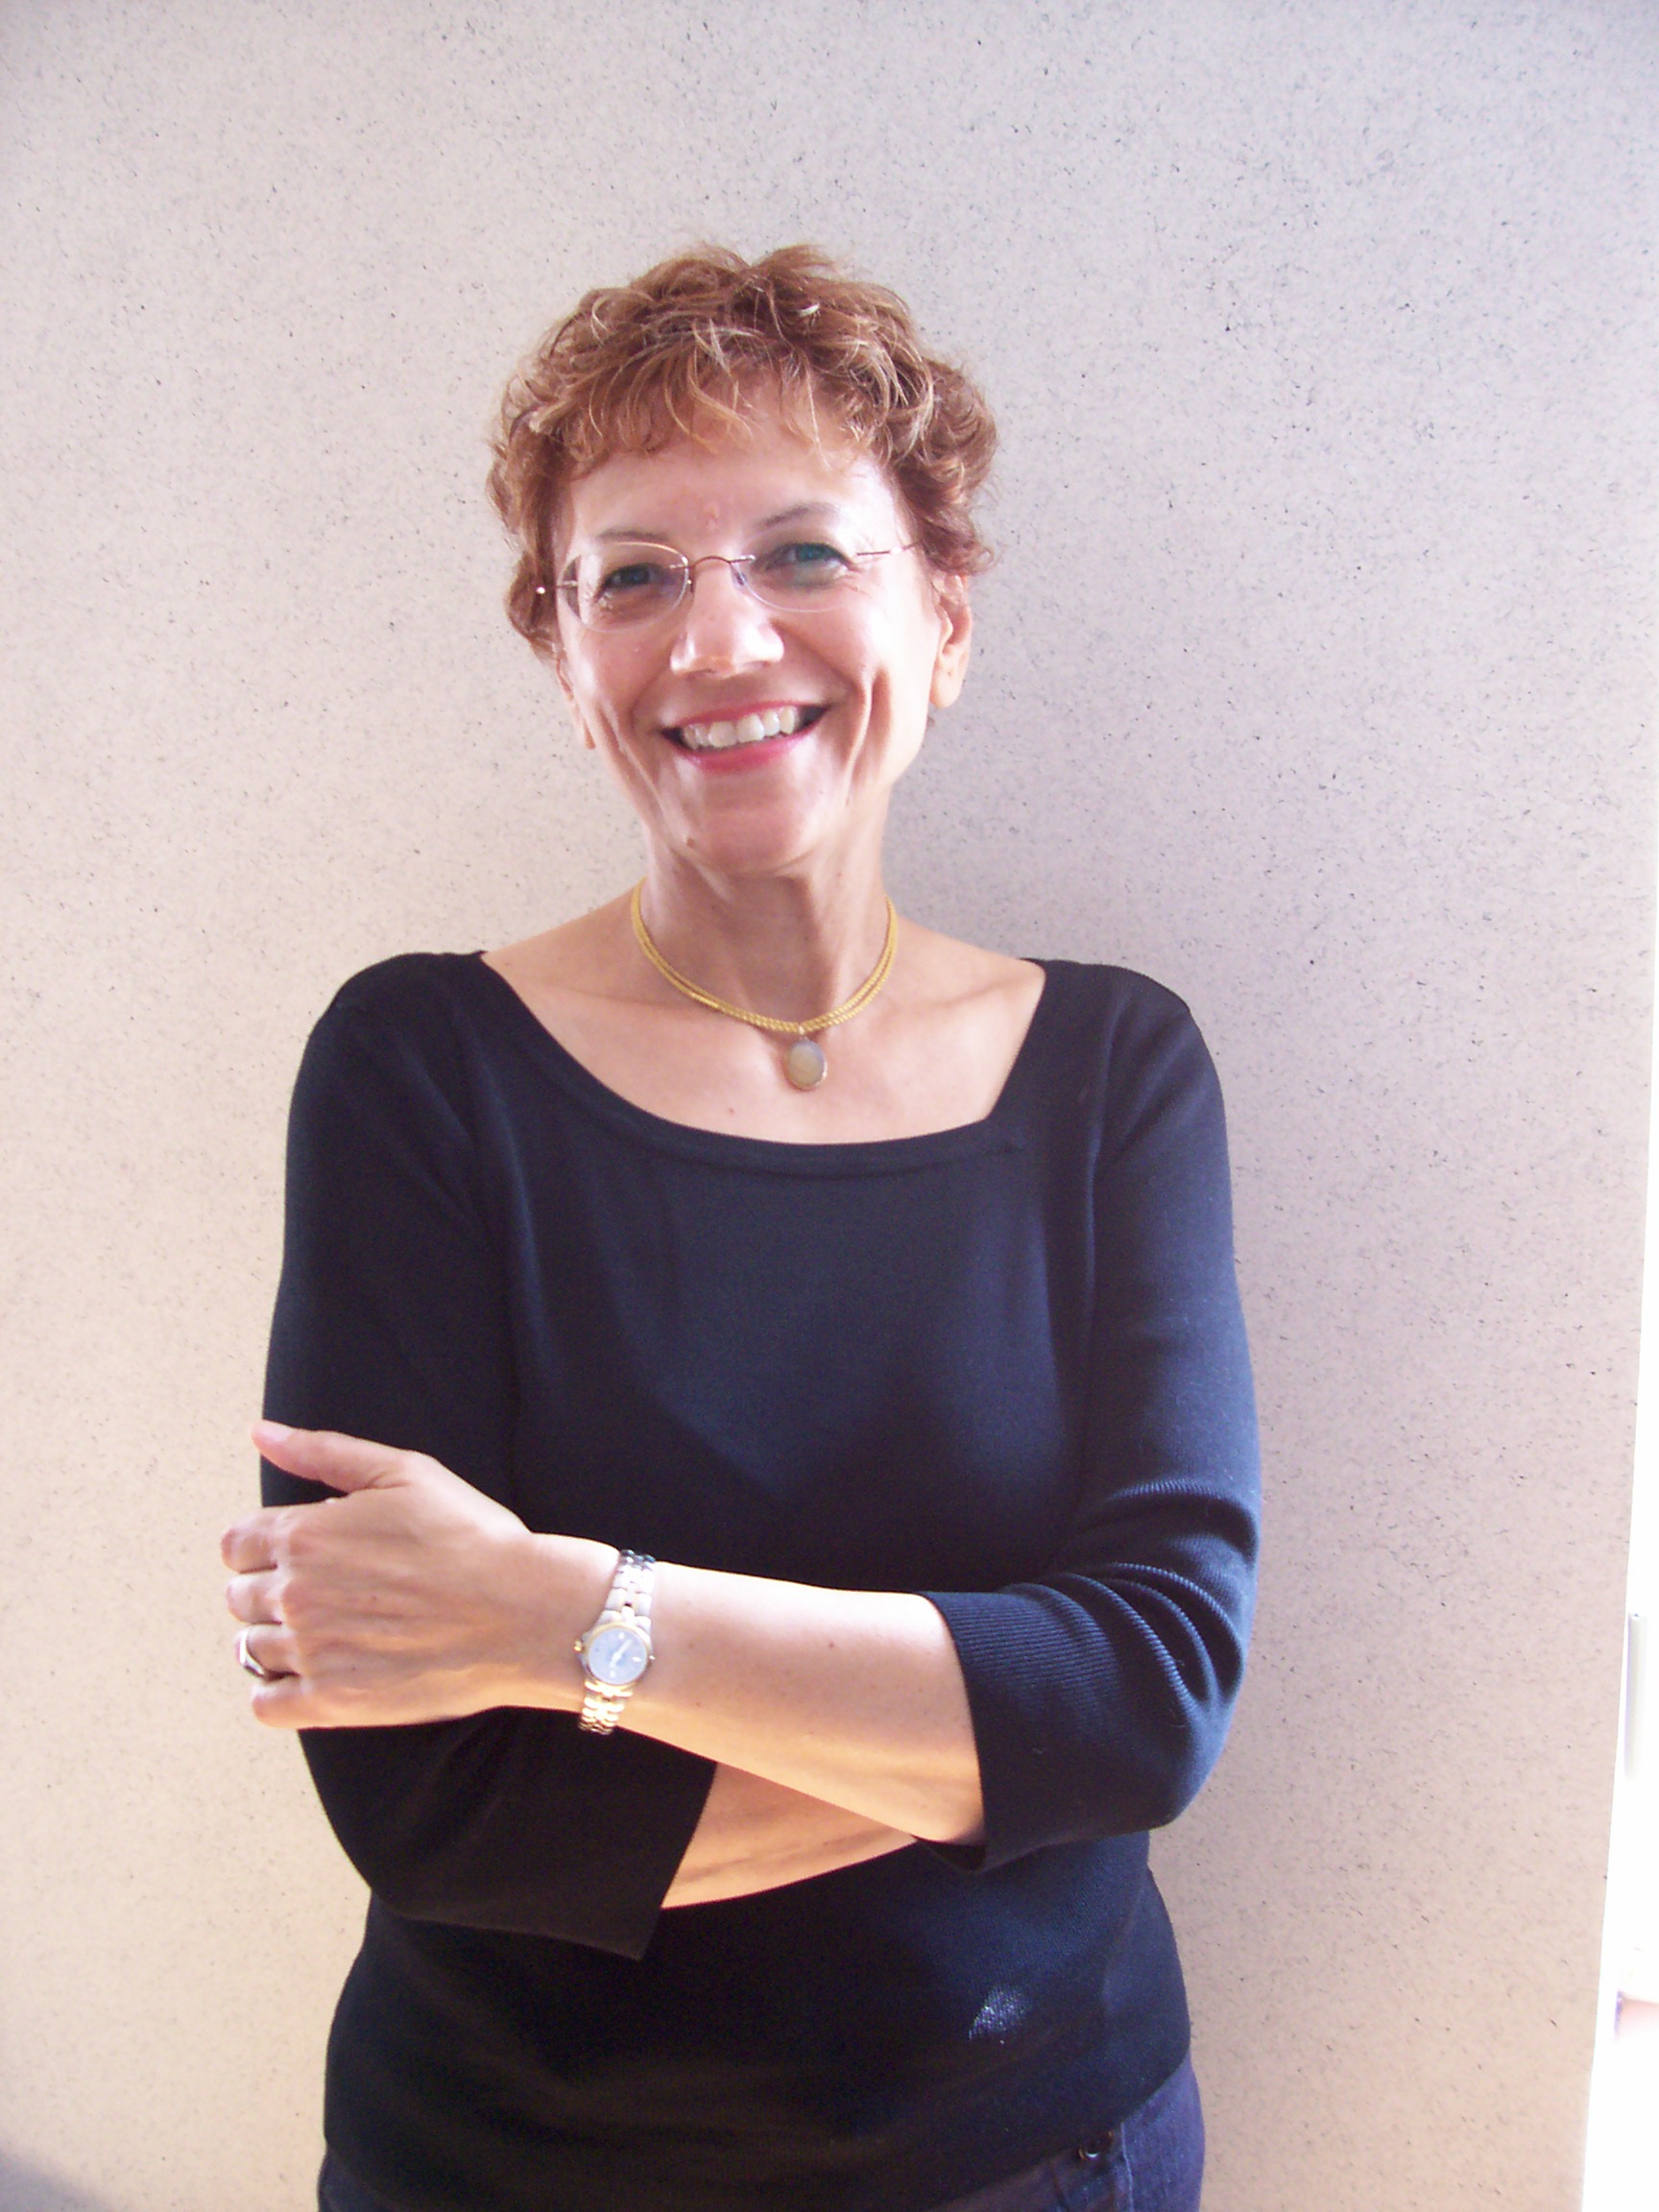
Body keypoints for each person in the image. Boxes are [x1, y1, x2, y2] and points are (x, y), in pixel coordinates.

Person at [222, 245, 1260, 2212]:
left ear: (942, 616)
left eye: (802, 553)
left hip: (1048, 2150)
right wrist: (982, 1733)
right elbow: (435, 1807)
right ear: (562, 654)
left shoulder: (1117, 1073)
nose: (717, 641)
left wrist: (558, 1623)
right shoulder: (419, 1068)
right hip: (514, 2171)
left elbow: (1150, 1701)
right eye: (633, 575)